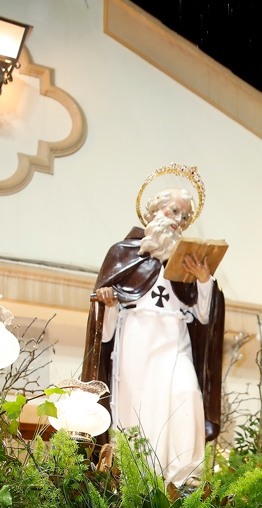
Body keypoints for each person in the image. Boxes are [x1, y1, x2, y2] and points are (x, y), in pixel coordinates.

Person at [90, 186, 226, 483]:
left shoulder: (188, 264)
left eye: (186, 216)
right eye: (174, 211)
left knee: (186, 393)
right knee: (141, 404)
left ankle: (183, 477)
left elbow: (204, 317)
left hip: (176, 339)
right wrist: (108, 302)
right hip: (137, 336)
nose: (180, 220)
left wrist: (204, 281)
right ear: (153, 211)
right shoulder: (122, 253)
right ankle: (139, 476)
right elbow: (103, 324)